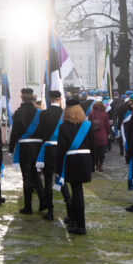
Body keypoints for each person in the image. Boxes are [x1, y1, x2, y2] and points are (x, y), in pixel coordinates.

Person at [55, 99, 95, 235]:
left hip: (71, 160)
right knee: (78, 192)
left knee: (77, 193)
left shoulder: (63, 127)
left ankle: (80, 225)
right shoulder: (88, 125)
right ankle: (77, 222)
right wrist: (92, 164)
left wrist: (58, 168)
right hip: (85, 160)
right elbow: (93, 146)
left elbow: (61, 150)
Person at [34, 90, 71, 221]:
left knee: (48, 181)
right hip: (61, 149)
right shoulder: (65, 113)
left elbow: (40, 132)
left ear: (50, 98)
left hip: (49, 149)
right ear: (60, 99)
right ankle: (69, 209)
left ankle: (50, 211)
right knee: (62, 179)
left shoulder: (44, 114)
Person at [9, 88, 45, 214]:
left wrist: (11, 148)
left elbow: (14, 132)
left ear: (22, 97)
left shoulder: (18, 113)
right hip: (38, 148)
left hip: (24, 148)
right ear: (32, 97)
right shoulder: (39, 112)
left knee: (26, 178)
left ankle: (28, 207)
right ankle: (43, 202)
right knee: (36, 176)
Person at [88, 101, 111, 172]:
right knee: (101, 151)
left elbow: (89, 124)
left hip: (93, 135)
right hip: (102, 134)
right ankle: (100, 165)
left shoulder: (91, 113)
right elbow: (107, 125)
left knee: (94, 151)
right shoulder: (105, 113)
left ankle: (95, 164)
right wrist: (109, 133)